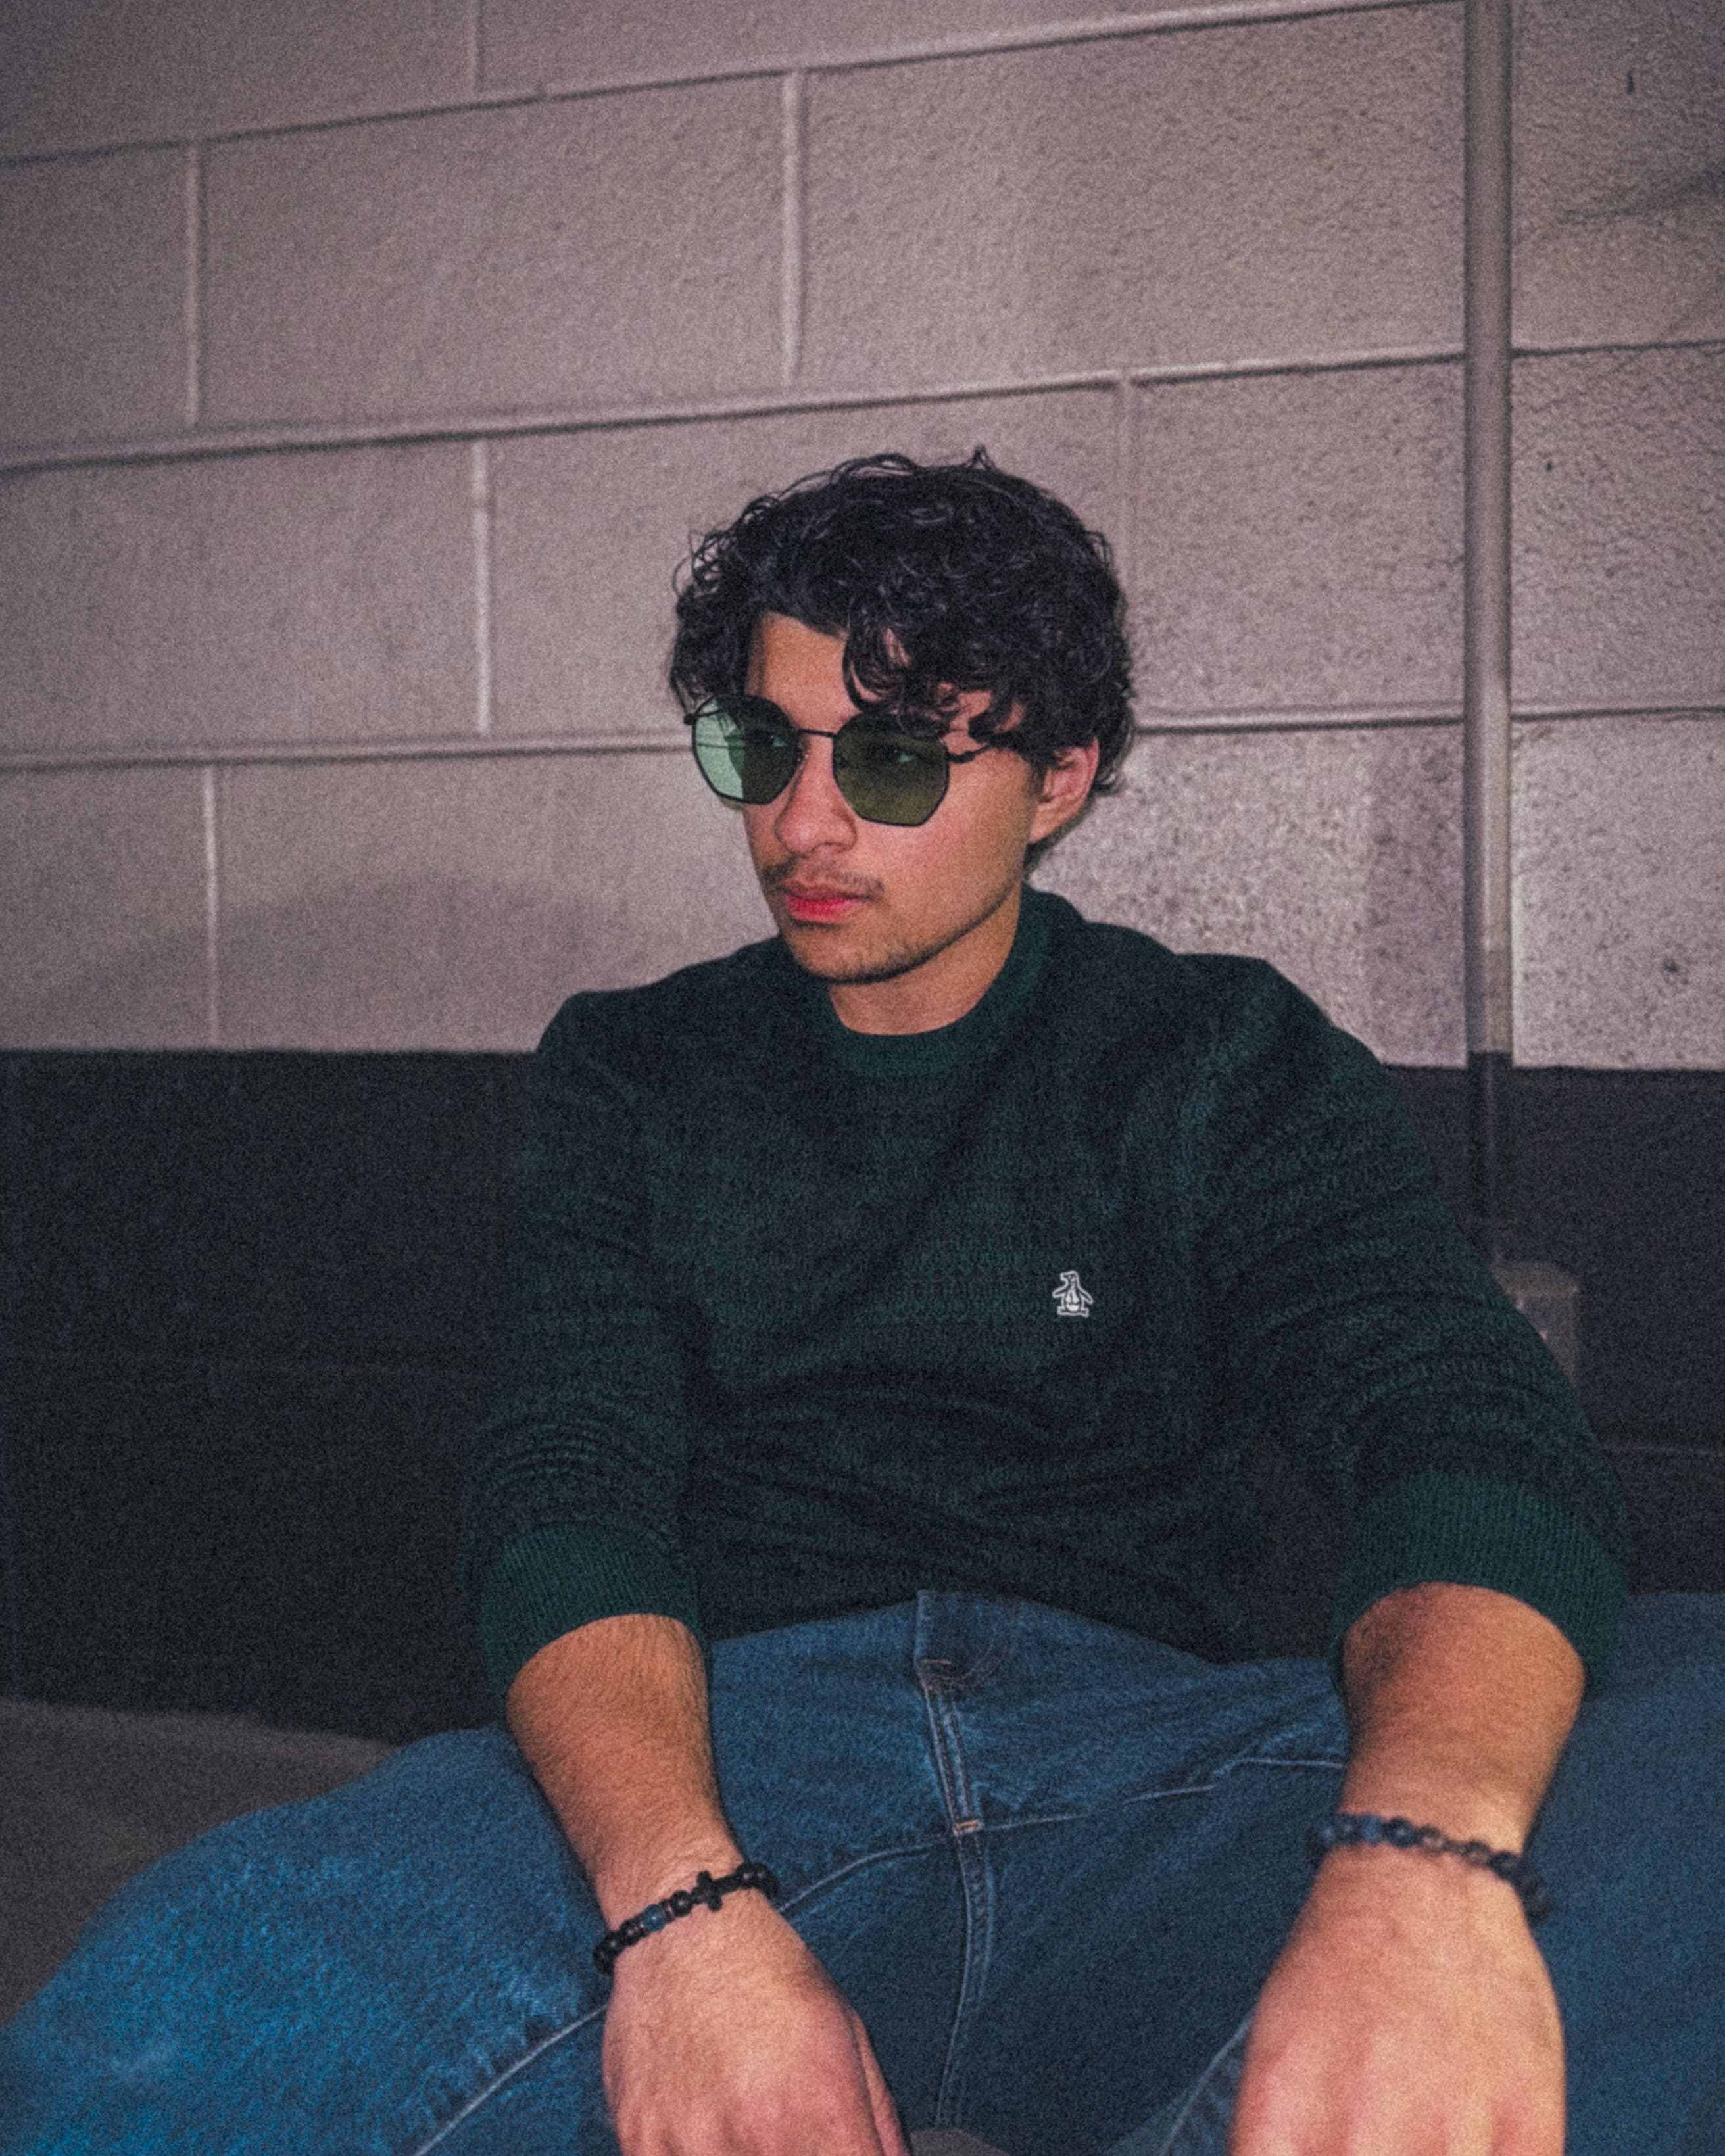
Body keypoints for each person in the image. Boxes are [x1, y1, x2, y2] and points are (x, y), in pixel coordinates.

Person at [3, 451, 1721, 2156]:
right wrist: (680, 1912)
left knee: (1684, 1735)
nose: (802, 826)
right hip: (732, 1755)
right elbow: (566, 1491)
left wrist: (1420, 1863)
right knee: (196, 1985)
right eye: (764, 747)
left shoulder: (1215, 1057)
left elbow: (1456, 1422)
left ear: (1059, 777)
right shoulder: (639, 1068)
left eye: (892, 758)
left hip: (1150, 1765)